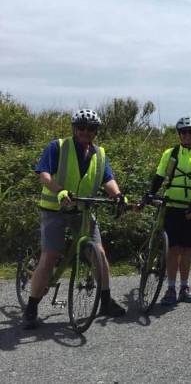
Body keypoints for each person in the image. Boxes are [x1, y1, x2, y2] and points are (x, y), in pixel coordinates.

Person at [26, 109, 127, 329]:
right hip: (55, 209)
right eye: (81, 127)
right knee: (50, 256)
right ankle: (31, 307)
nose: (86, 132)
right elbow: (44, 174)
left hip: (82, 210)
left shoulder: (99, 154)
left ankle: (106, 301)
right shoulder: (58, 147)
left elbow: (107, 179)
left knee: (98, 254)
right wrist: (60, 191)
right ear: (74, 128)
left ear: (96, 131)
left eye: (91, 128)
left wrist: (118, 195)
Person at [143, 116, 191, 305]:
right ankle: (171, 288)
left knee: (187, 249)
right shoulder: (170, 153)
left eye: (190, 132)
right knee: (173, 249)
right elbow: (159, 177)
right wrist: (150, 194)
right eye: (183, 132)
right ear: (179, 135)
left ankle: (184, 286)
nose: (187, 135)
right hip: (172, 206)